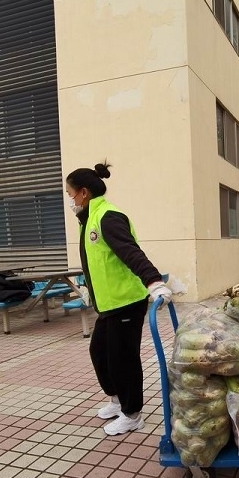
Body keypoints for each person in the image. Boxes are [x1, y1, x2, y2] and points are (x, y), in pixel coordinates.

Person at [66, 161, 172, 436]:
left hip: (126, 302)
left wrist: (154, 282)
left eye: (71, 194)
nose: (71, 200)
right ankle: (117, 400)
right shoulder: (89, 218)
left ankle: (132, 414)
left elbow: (130, 252)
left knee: (123, 360)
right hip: (108, 303)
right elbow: (98, 261)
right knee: (100, 353)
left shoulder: (107, 216)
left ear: (84, 192)